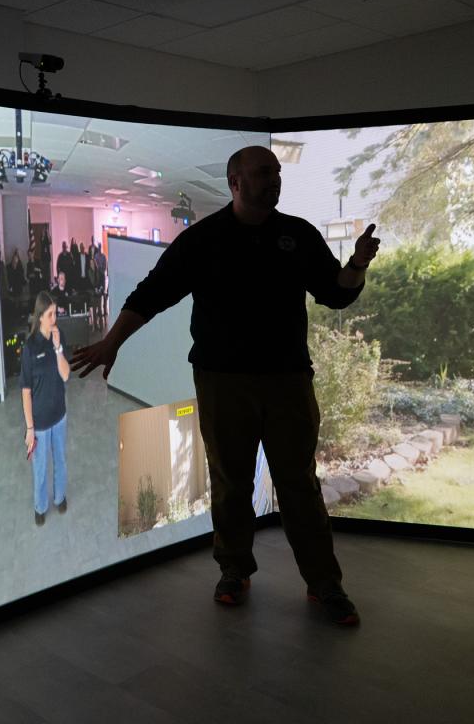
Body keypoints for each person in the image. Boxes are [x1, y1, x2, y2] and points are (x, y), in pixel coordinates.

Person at [71, 145, 380, 627]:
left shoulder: (297, 235)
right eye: (262, 173)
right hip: (222, 383)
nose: (273, 180)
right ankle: (234, 571)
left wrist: (357, 264)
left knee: (298, 484)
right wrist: (113, 342)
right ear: (235, 182)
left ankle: (325, 584)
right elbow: (152, 292)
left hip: (287, 382)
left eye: (276, 173)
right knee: (230, 482)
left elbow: (335, 293)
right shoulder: (204, 240)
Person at [20, 291, 71, 526]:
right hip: (39, 423)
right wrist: (30, 428)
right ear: (40, 317)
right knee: (40, 469)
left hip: (59, 416)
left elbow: (66, 375)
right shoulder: (29, 348)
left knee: (60, 460)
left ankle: (60, 497)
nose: (54, 319)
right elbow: (26, 392)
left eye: (55, 314)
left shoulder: (57, 339)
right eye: (50, 315)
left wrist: (59, 348)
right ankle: (40, 507)